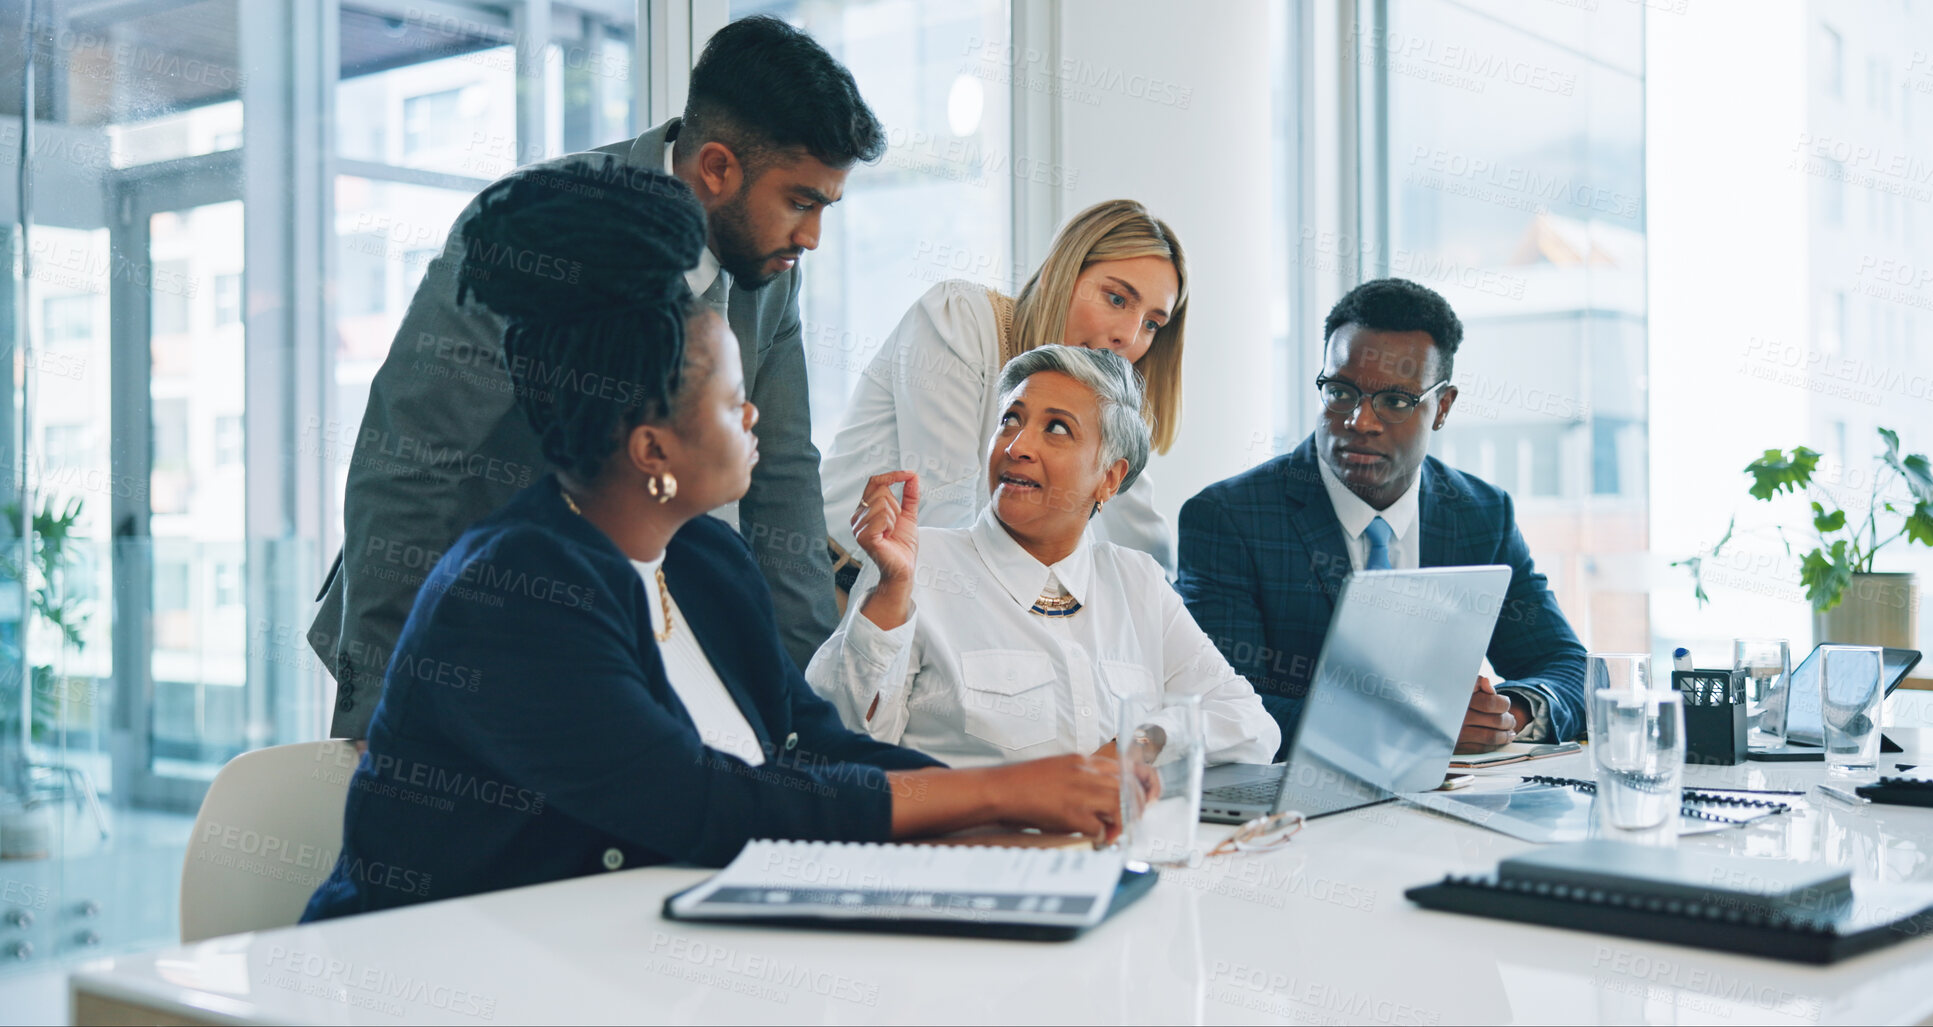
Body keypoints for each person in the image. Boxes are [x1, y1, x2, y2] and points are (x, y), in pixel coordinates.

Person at [303, 164, 1133, 921]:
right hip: (432, 978)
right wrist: (1004, 789)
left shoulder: (706, 562)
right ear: (652, 450)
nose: (752, 414)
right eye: (732, 396)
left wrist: (1006, 802)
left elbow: (814, 743)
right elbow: (707, 803)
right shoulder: (515, 591)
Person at [310, 15, 866, 740]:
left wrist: (796, 705)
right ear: (718, 168)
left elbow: (783, 479)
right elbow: (411, 460)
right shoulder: (540, 226)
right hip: (468, 633)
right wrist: (388, 706)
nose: (812, 236)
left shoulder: (768, 271)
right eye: (800, 201)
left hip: (636, 644)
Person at [808, 345, 1279, 769]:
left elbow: (1251, 723)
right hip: (976, 855)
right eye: (1010, 420)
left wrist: (1139, 744)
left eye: (1056, 428)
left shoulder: (1137, 582)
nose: (1017, 446)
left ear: (1109, 479)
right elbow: (843, 745)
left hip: (1114, 852)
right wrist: (890, 594)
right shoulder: (917, 563)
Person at [1176, 278, 1586, 760]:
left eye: (1395, 401)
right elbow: (1221, 707)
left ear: (1443, 407)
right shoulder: (1231, 519)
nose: (1360, 422)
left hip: (1453, 811)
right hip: (1303, 816)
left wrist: (1506, 713)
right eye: (1342, 392)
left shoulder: (1481, 514)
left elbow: (1566, 666)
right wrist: (1411, 727)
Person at [819, 200, 1188, 590]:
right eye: (1116, 299)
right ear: (1058, 274)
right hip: (837, 585)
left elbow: (1146, 558)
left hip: (959, 605)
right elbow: (946, 517)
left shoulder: (1099, 404)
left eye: (1151, 323)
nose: (1129, 337)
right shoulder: (960, 320)